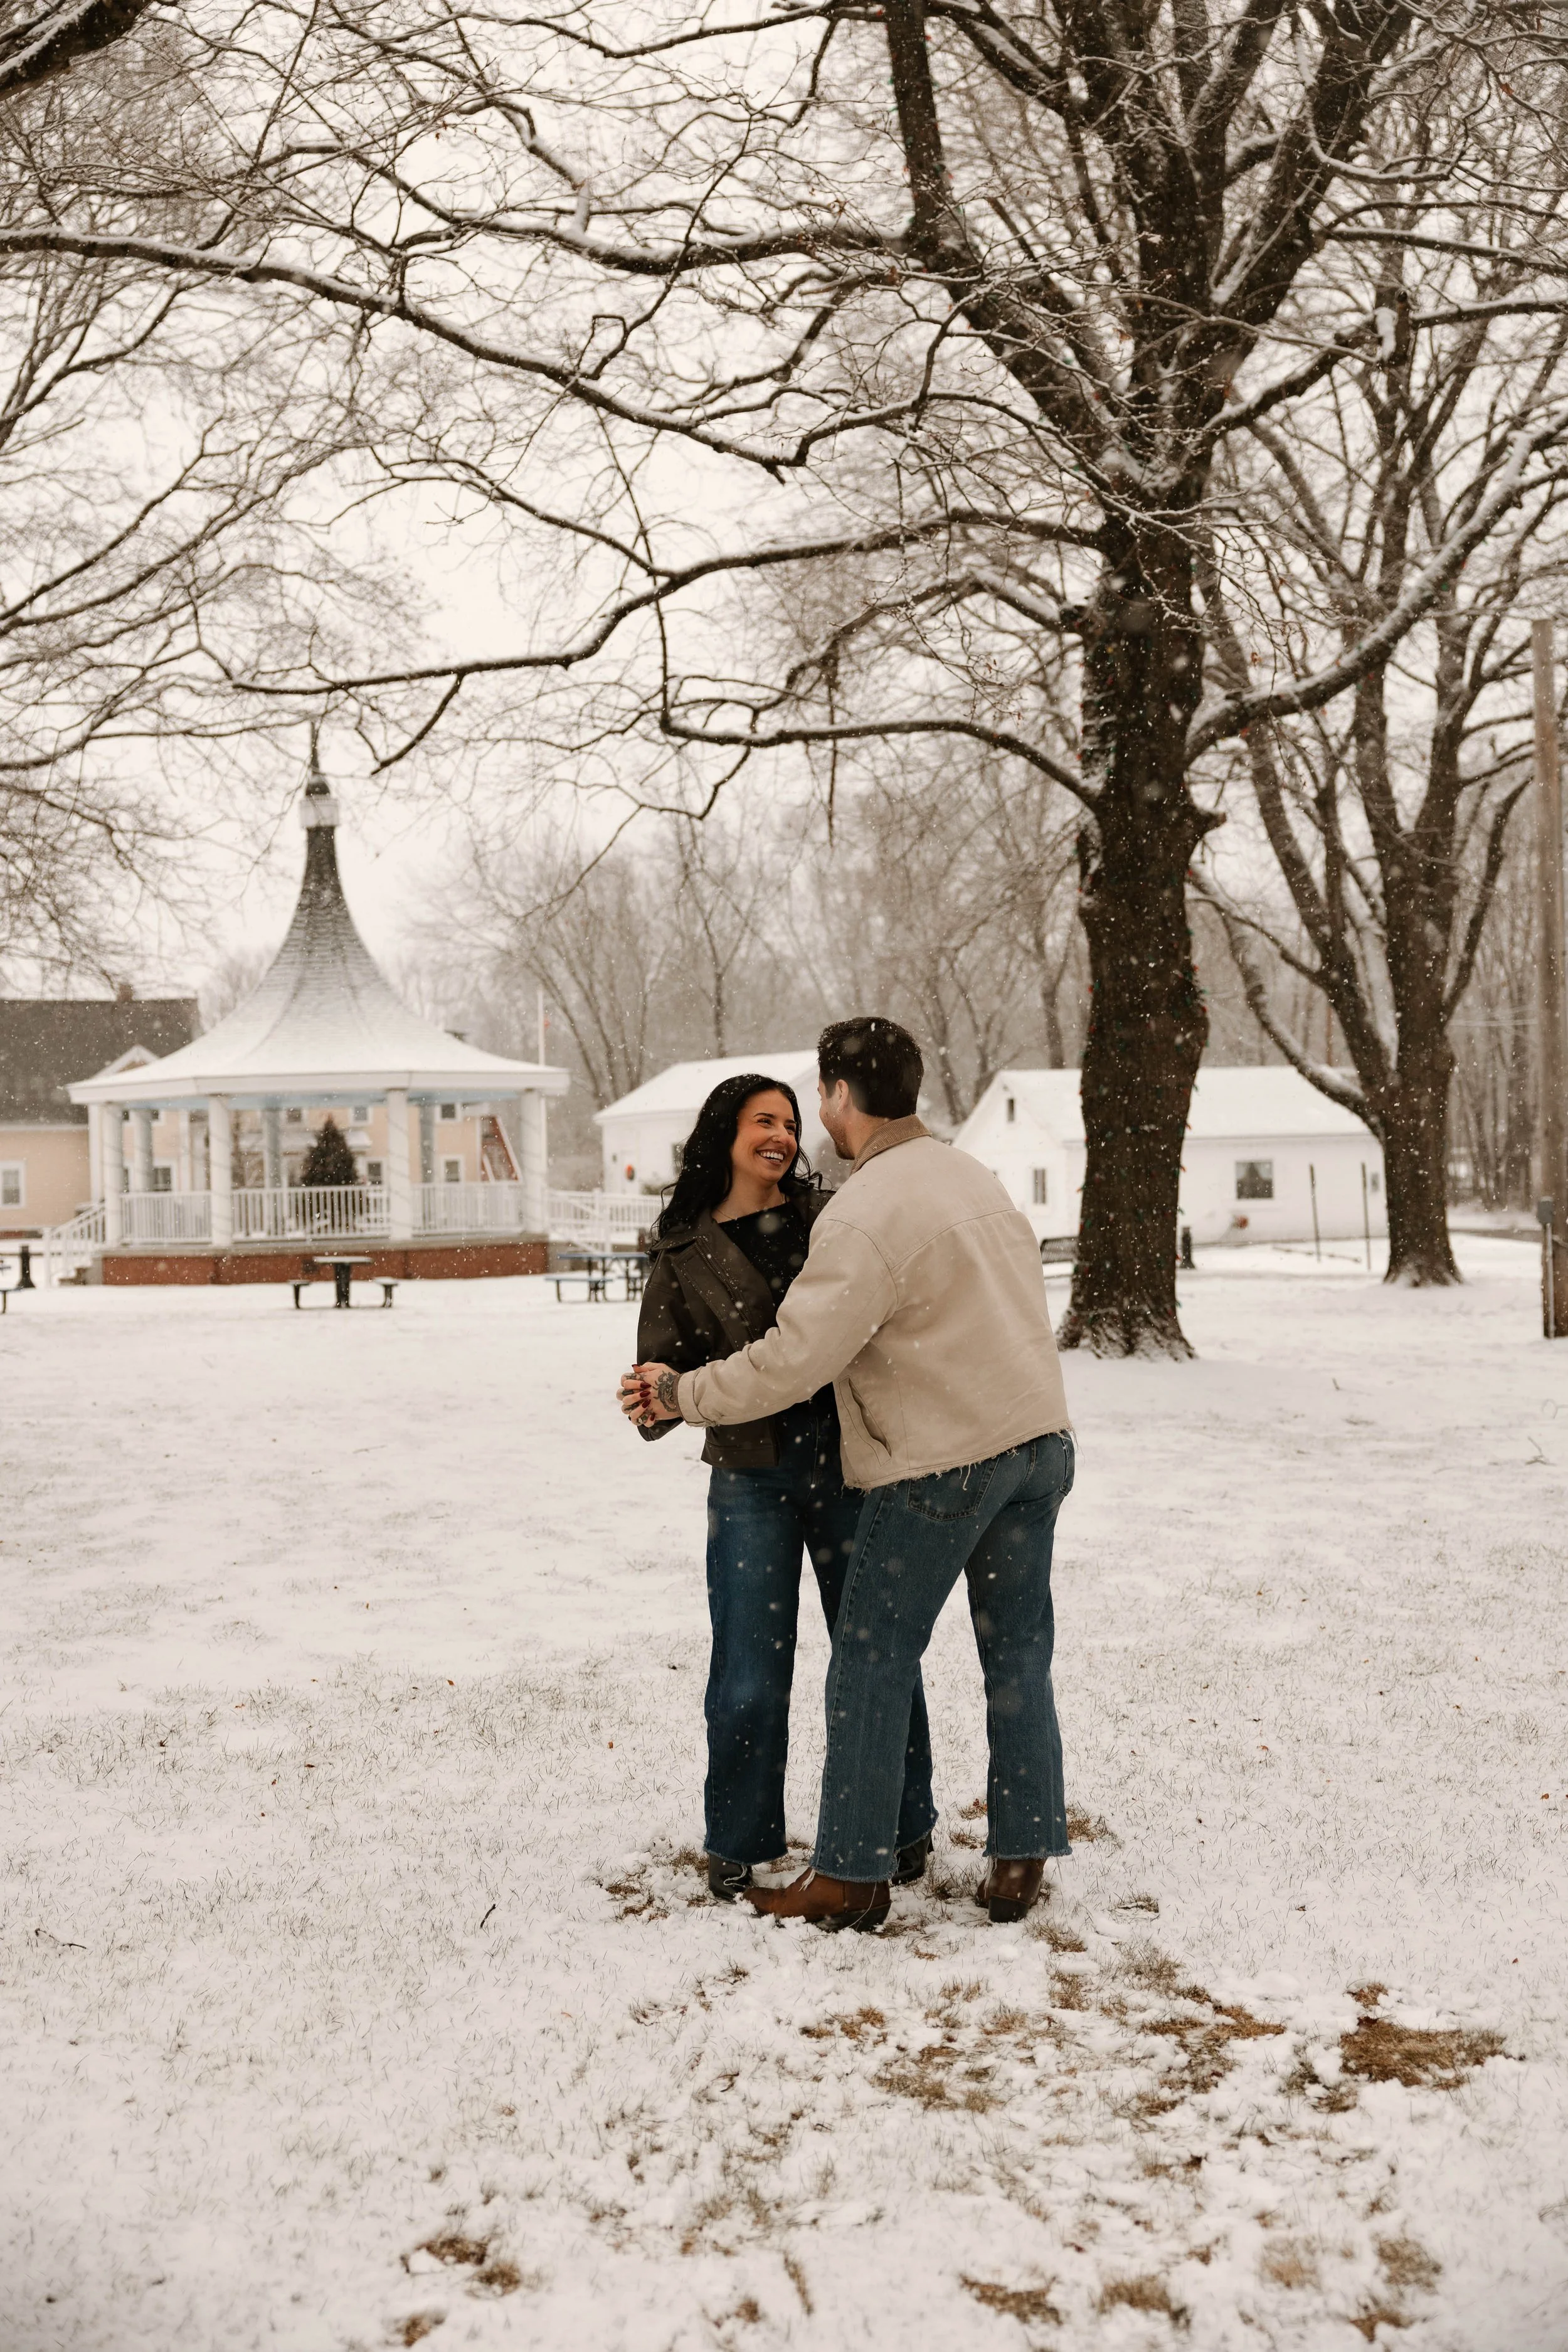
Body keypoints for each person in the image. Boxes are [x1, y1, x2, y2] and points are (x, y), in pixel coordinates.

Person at [620, 1016, 1074, 1934]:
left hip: (948, 1458)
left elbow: (792, 1360)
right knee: (1016, 1650)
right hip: (1040, 1440)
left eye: (806, 1103)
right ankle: (1021, 1854)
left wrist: (681, 1391)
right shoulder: (966, 1172)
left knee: (869, 1652)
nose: (794, 1128)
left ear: (836, 1094)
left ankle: (853, 1875)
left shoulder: (862, 1209)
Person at [630, 1071, 936, 1904]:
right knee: (747, 1668)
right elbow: (662, 1373)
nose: (783, 1134)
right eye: (764, 1119)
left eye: (792, 1122)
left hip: (850, 1466)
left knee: (875, 1653)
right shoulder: (681, 1250)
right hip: (748, 1478)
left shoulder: (830, 1217)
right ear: (725, 1131)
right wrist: (653, 1391)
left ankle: (906, 1827)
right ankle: (737, 1842)